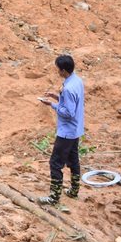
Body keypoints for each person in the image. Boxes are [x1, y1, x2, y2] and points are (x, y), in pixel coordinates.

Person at [38, 55, 85, 205]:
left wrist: (52, 104)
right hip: (76, 130)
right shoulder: (77, 81)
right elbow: (72, 103)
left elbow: (68, 113)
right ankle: (74, 191)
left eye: (58, 69)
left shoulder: (69, 88)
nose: (57, 71)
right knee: (73, 160)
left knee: (55, 163)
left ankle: (54, 197)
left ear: (63, 70)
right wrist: (58, 97)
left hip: (66, 132)